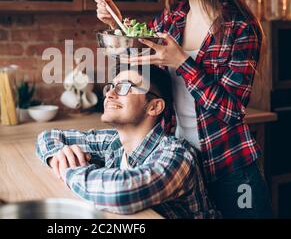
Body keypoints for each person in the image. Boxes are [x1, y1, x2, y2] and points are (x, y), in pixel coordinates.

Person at [94, 0, 272, 218]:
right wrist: (116, 23)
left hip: (231, 171)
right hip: (182, 165)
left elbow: (231, 110)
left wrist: (182, 63)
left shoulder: (241, 28)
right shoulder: (173, 19)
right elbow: (138, 55)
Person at [36, 65, 218, 218]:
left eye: (125, 87)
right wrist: (57, 157)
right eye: (111, 87)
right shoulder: (112, 141)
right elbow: (48, 137)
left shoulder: (178, 156)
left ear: (154, 106)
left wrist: (68, 169)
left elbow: (122, 193)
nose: (109, 94)